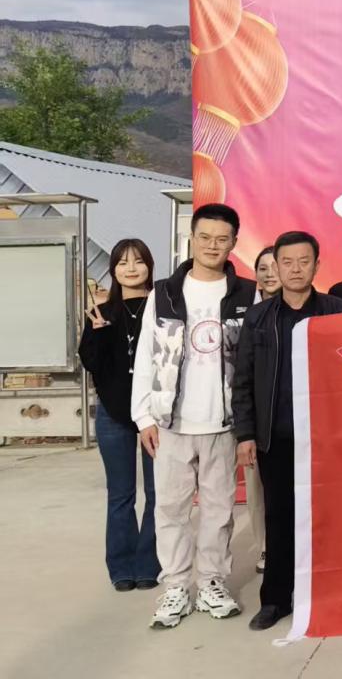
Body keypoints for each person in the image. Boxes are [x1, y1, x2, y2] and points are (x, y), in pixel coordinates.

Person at [131, 203, 256, 629]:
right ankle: (176, 586)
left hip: (223, 423)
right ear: (192, 238)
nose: (212, 246)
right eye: (205, 237)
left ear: (233, 243)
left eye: (222, 239)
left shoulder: (247, 294)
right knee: (170, 509)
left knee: (219, 510)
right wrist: (143, 417)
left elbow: (252, 364)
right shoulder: (164, 292)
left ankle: (211, 583)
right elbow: (146, 355)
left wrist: (248, 425)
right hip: (171, 423)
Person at [233, 231, 342, 630]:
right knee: (280, 519)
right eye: (287, 262)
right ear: (276, 268)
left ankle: (328, 594)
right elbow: (243, 380)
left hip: (326, 439)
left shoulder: (338, 311)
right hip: (276, 438)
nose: (296, 269)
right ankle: (276, 599)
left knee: (329, 518)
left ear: (317, 265)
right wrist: (246, 434)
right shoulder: (259, 317)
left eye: (304, 261)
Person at [78, 238, 160, 593]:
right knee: (120, 494)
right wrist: (97, 334)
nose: (131, 268)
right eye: (123, 262)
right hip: (113, 415)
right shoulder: (102, 312)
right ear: (113, 270)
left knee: (158, 494)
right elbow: (91, 363)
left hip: (155, 417)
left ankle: (149, 564)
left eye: (138, 261)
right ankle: (122, 567)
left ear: (149, 267)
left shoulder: (162, 307)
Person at [246, 246, 279, 572]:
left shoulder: (309, 310)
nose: (270, 274)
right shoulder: (250, 314)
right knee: (257, 488)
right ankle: (267, 548)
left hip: (292, 417)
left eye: (274, 266)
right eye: (263, 268)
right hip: (256, 417)